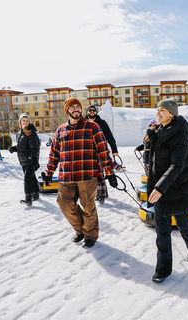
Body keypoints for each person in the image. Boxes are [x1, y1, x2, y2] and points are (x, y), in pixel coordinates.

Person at [43, 97, 118, 249]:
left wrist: (110, 172)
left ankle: (90, 235)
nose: (76, 109)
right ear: (67, 110)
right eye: (72, 107)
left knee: (88, 207)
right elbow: (54, 154)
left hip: (87, 175)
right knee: (64, 203)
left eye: (78, 106)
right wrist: (49, 172)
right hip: (66, 175)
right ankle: (80, 230)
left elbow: (103, 149)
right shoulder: (61, 130)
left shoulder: (92, 127)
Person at [147, 98, 188, 283]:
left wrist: (159, 188)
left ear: (172, 113)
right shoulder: (161, 132)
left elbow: (176, 166)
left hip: (176, 190)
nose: (158, 113)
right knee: (162, 232)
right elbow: (152, 160)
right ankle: (163, 270)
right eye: (157, 110)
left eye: (162, 110)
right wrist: (149, 140)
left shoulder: (179, 137)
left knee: (183, 224)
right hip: (161, 190)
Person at [85, 105, 119, 203]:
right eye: (90, 110)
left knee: (99, 173)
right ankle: (103, 192)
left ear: (96, 112)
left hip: (100, 151)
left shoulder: (102, 123)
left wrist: (114, 150)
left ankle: (100, 195)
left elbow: (110, 137)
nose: (92, 112)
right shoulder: (83, 123)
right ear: (87, 112)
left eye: (93, 110)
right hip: (87, 153)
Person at [9, 113, 41, 206]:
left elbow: (34, 147)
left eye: (27, 121)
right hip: (23, 160)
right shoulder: (20, 133)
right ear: (20, 122)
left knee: (27, 179)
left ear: (29, 122)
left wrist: (34, 159)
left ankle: (28, 198)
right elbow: (22, 146)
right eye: (23, 121)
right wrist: (14, 148)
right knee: (31, 177)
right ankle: (35, 193)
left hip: (30, 160)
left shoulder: (31, 133)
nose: (25, 122)